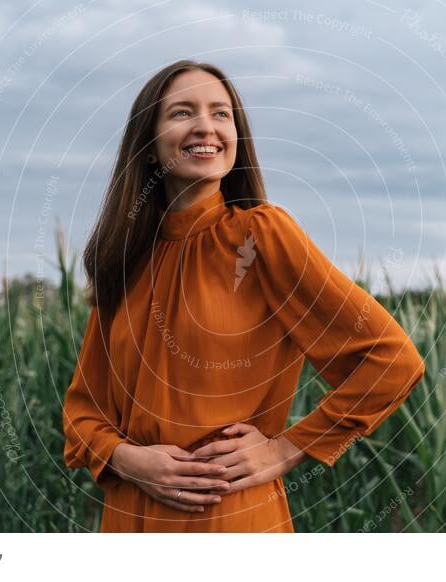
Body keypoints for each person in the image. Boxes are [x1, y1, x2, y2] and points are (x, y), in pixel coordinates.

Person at [62, 60, 426, 532]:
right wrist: (128, 459)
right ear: (148, 146)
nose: (205, 127)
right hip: (129, 521)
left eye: (221, 113)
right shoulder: (126, 259)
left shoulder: (261, 236)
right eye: (181, 113)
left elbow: (392, 360)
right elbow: (82, 411)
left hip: (230, 520)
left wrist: (286, 448)